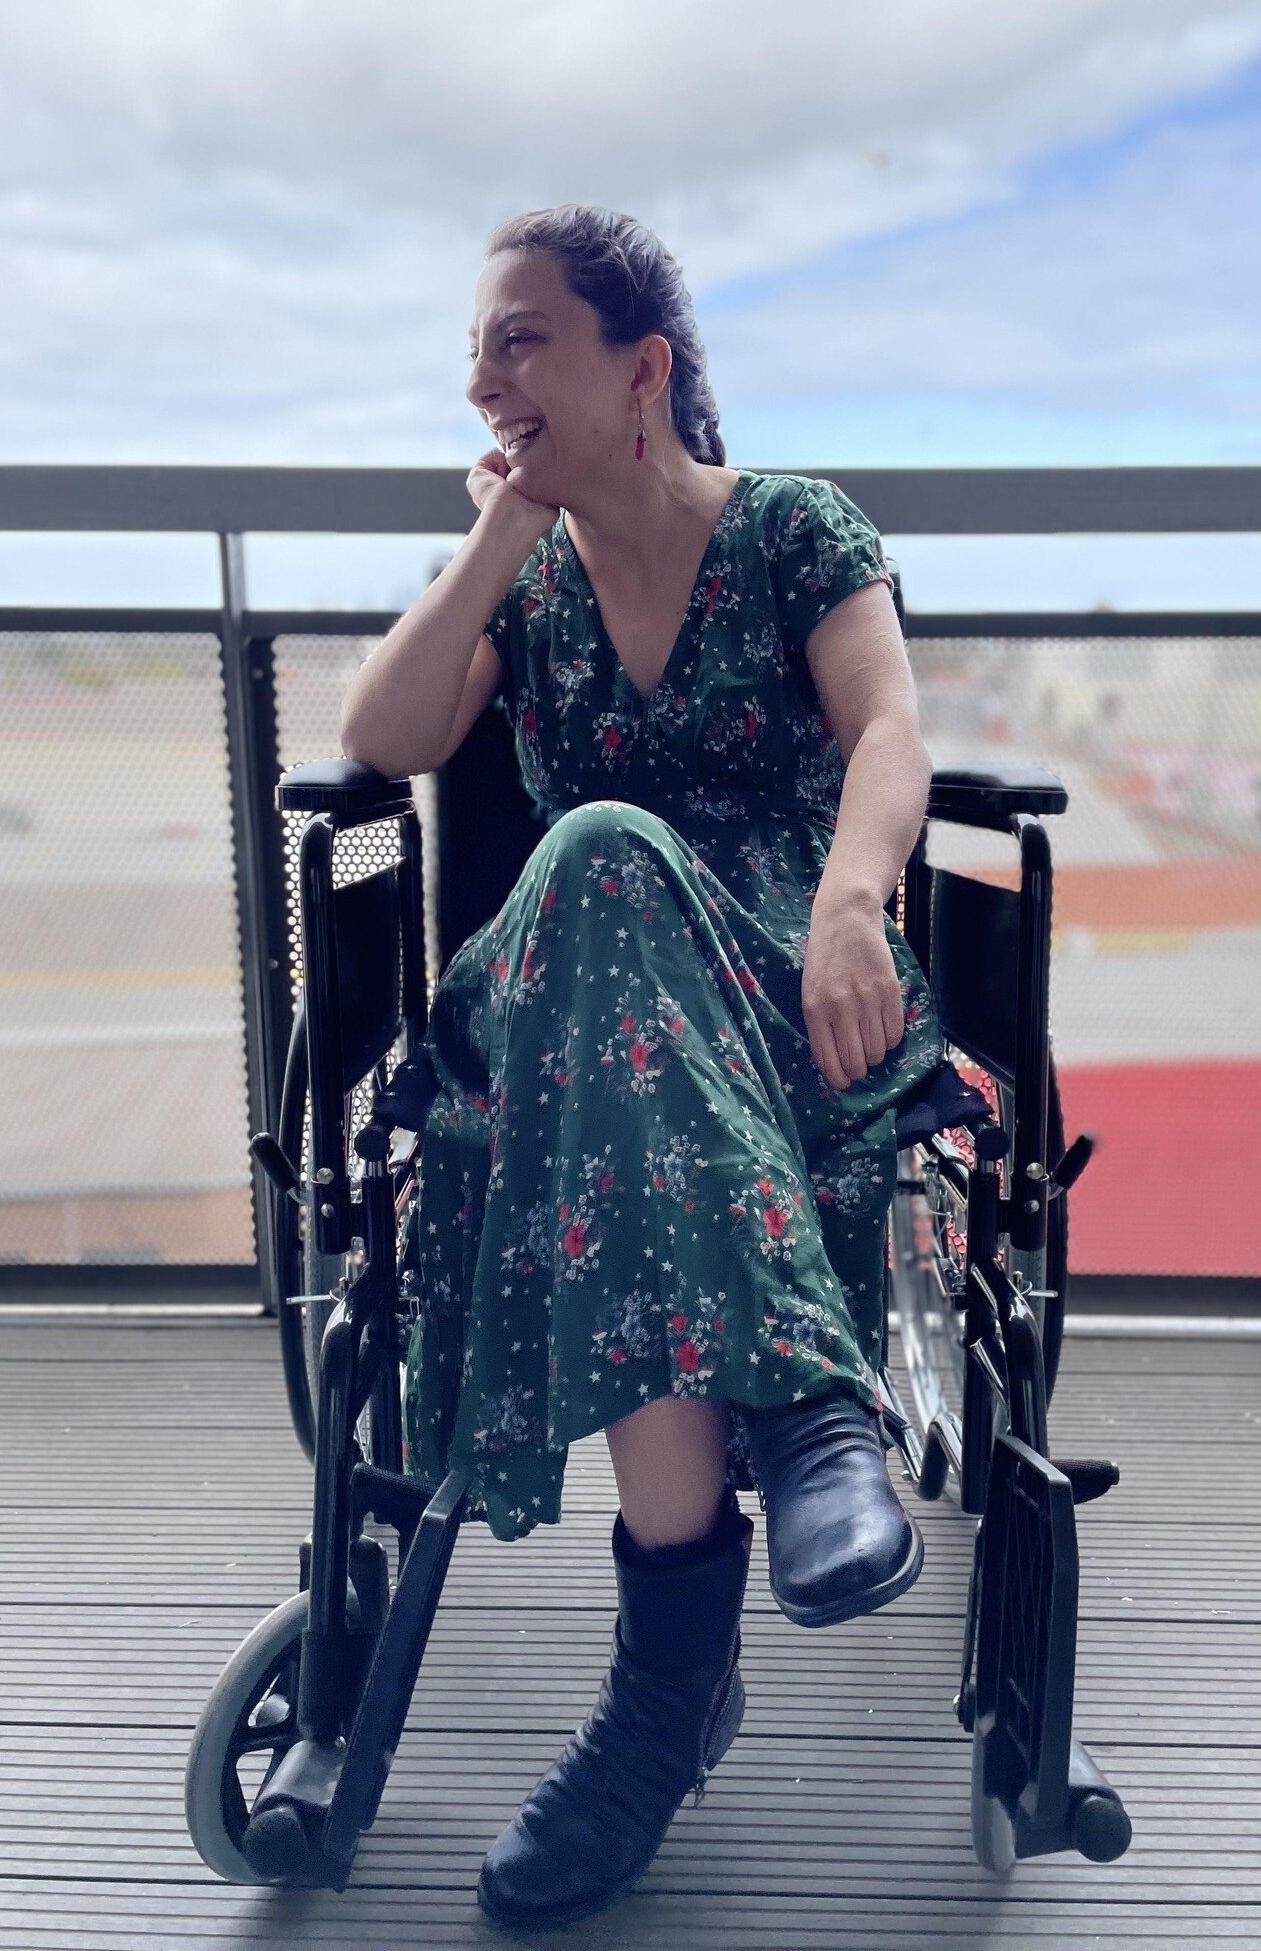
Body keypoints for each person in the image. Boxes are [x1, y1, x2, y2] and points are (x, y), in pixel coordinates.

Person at [339, 204, 947, 1929]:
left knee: (618, 987)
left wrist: (848, 901)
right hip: (568, 981)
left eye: (522, 339)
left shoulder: (789, 532)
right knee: (600, 850)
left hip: (773, 968)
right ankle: (809, 1410)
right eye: (478, 347)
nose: (483, 376)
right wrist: (494, 541)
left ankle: (664, 1689)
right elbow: (379, 740)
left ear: (644, 369)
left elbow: (888, 731)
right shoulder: (522, 581)